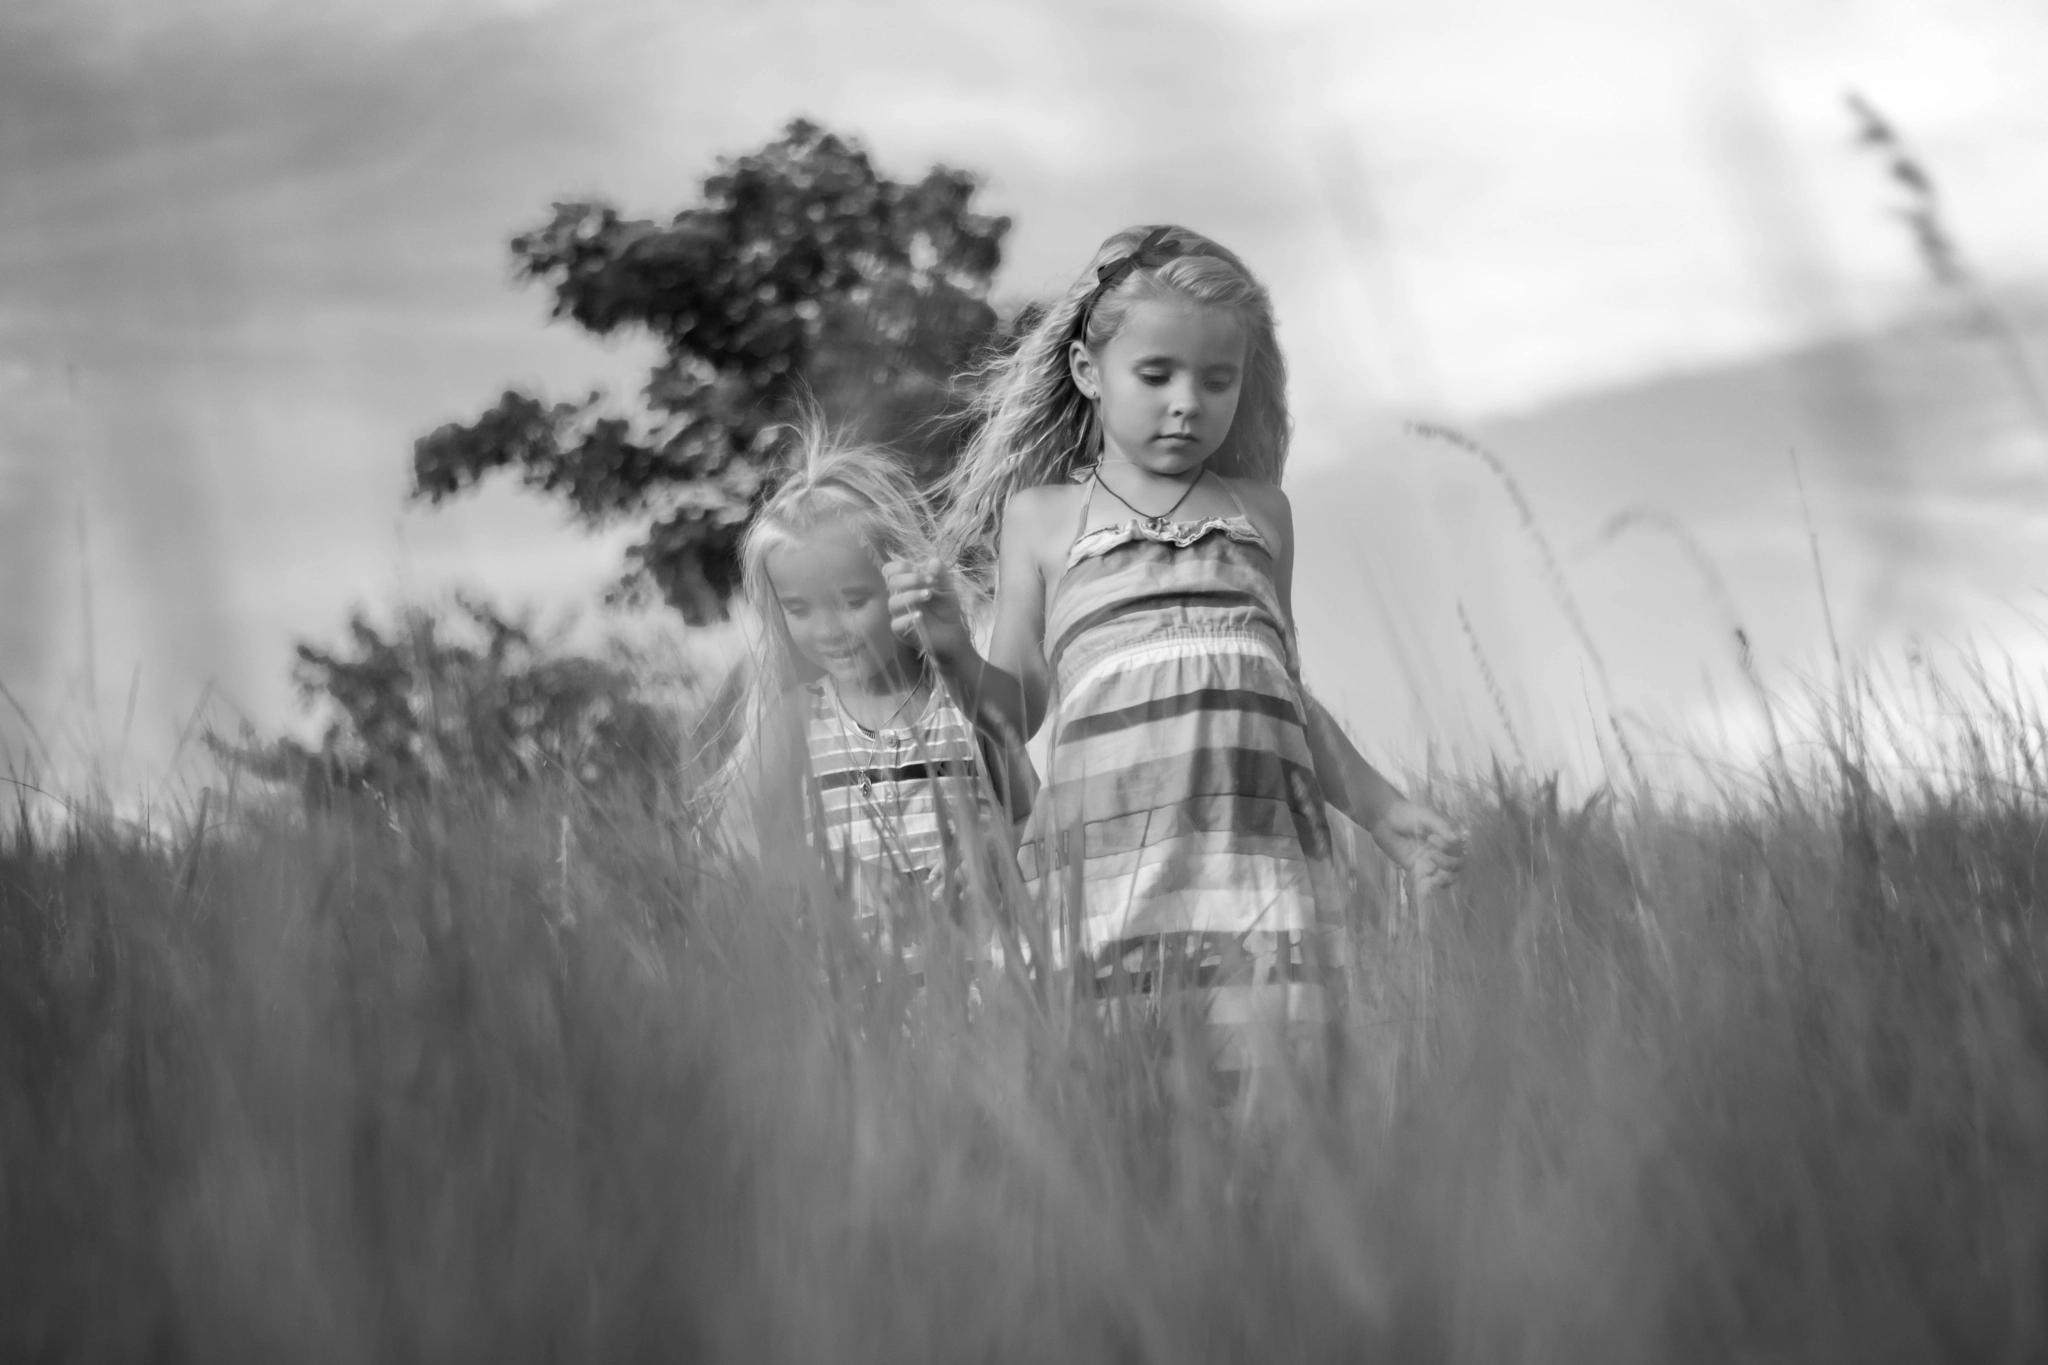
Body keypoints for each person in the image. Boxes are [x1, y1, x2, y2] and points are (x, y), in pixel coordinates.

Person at [888, 224, 1464, 1091]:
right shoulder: (1045, 520)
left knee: (1274, 1112)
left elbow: (1282, 692)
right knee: (1128, 1111)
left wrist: (1383, 811)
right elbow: (1017, 711)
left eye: (1216, 379)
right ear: (1090, 372)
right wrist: (946, 646)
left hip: (1261, 877)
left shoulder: (1262, 516)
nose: (1186, 401)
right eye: (1155, 376)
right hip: (1108, 884)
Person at [721, 427, 1030, 981]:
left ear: (899, 579)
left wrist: (996, 847)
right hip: (860, 994)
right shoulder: (798, 718)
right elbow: (742, 837)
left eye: (852, 600)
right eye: (799, 609)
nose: (828, 630)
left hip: (983, 983)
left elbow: (1029, 810)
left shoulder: (960, 700)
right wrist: (841, 876)